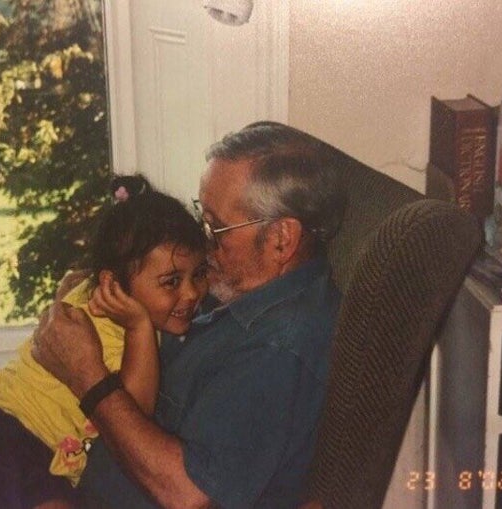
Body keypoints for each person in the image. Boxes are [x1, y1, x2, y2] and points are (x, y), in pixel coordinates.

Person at [33, 121, 347, 508]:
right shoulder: (248, 286)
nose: (204, 241)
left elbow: (189, 495)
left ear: (281, 240)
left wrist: (88, 378)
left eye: (218, 227)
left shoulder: (277, 351)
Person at [0, 176, 209, 509]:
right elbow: (133, 413)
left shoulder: (128, 305)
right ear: (113, 284)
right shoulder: (105, 324)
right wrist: (140, 328)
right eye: (171, 281)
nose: (191, 294)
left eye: (199, 274)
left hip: (45, 456)